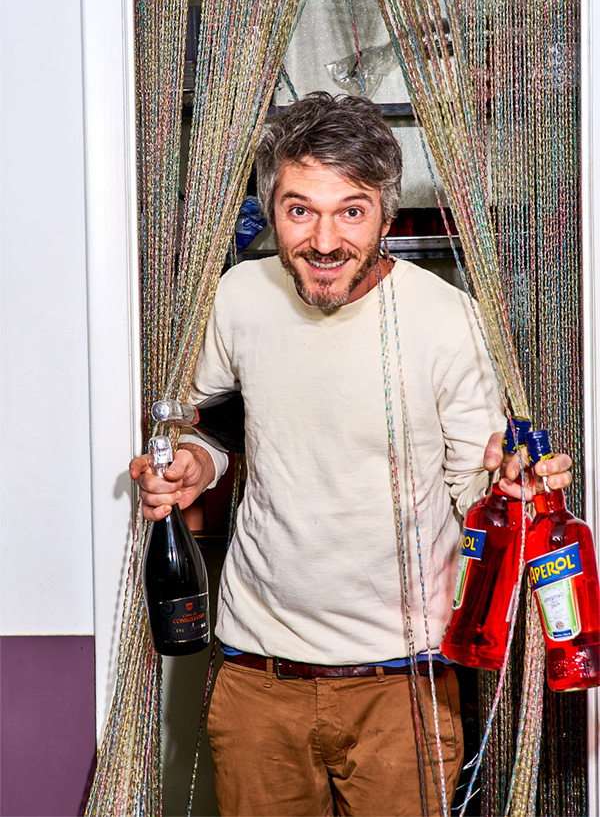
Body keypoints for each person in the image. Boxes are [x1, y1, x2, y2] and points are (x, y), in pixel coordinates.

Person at [130, 93, 572, 817]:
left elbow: (473, 488)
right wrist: (195, 463)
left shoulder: (443, 317)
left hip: (404, 687)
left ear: (386, 218)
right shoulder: (240, 296)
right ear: (271, 209)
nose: (325, 240)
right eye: (300, 210)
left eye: (351, 210)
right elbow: (204, 423)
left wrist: (511, 485)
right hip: (256, 678)